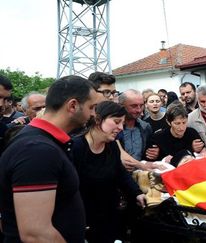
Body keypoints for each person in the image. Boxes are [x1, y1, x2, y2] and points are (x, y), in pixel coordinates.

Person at [0, 75, 98, 243]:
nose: (94, 114)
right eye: (92, 107)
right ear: (73, 105)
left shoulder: (45, 142)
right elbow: (36, 234)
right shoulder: (37, 150)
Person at [72, 101, 146, 243]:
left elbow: (120, 173)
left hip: (110, 215)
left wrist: (137, 193)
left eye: (122, 123)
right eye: (116, 122)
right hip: (84, 219)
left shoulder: (112, 146)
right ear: (98, 119)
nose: (120, 128)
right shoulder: (76, 148)